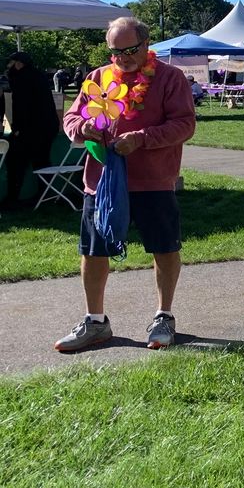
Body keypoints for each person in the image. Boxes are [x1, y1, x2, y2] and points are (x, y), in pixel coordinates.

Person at [56, 17, 196, 351]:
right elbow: (71, 119)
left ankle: (164, 316)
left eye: (130, 50)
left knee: (164, 247)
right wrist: (84, 128)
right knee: (93, 250)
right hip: (102, 183)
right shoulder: (97, 77)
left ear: (147, 45)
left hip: (154, 181)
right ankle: (95, 322)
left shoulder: (169, 77)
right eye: (116, 52)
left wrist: (142, 138)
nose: (122, 59)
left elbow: (184, 125)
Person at [2, 52, 60, 209]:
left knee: (16, 162)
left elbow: (22, 106)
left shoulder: (22, 79)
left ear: (19, 64)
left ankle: (13, 198)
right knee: (41, 162)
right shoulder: (38, 75)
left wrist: (17, 129)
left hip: (32, 128)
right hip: (47, 126)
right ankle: (45, 195)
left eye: (11, 63)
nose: (9, 67)